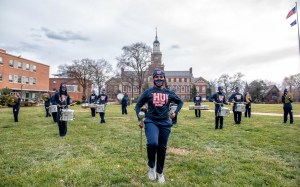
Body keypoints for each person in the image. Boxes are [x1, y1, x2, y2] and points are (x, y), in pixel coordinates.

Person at [135, 68, 183, 183]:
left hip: (165, 123)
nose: (159, 79)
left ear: (164, 79)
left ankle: (160, 172)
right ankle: (152, 167)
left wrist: (175, 113)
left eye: (161, 77)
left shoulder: (169, 93)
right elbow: (138, 105)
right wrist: (139, 119)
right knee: (152, 143)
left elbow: (180, 102)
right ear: (153, 79)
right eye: (157, 77)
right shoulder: (148, 92)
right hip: (151, 121)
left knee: (162, 148)